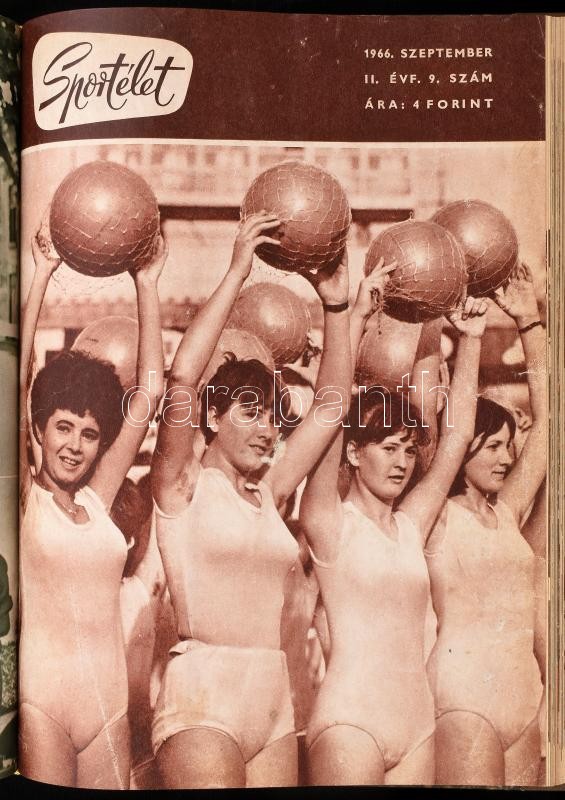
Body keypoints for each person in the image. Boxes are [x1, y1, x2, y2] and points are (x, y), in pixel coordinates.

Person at [150, 211, 351, 788]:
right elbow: (182, 378)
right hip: (202, 697)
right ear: (213, 417)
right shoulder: (181, 486)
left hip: (272, 700)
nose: (267, 429)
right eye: (250, 412)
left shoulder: (270, 491)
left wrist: (336, 307)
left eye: (272, 418)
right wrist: (239, 268)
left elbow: (332, 407)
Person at [299, 263, 488, 785]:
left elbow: (456, 440)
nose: (403, 462)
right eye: (388, 448)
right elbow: (330, 411)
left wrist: (471, 340)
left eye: (408, 449)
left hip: (417, 725)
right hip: (350, 722)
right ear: (354, 453)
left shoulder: (410, 526)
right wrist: (353, 318)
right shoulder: (329, 522)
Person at [18, 228, 167, 788]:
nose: (74, 446)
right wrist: (41, 275)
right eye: (62, 427)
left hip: (108, 708)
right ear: (38, 429)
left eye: (89, 433)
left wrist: (146, 282)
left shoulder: (98, 500)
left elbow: (150, 394)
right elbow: (12, 380)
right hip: (42, 705)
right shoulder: (25, 501)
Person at [425, 264, 546, 786]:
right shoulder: (435, 516)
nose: (506, 458)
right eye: (493, 446)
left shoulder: (507, 512)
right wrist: (470, 339)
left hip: (524, 696)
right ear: (466, 449)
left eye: (508, 447)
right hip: (464, 698)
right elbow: (451, 431)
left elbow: (551, 425)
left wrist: (530, 322)